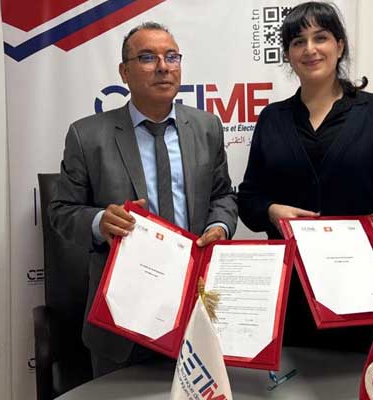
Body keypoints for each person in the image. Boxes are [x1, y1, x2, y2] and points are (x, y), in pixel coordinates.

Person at [238, 2, 373, 351]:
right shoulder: (272, 118)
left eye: (321, 37)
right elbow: (250, 198)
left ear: (339, 45)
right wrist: (271, 211)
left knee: (362, 375)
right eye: (298, 41)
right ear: (288, 55)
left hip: (365, 292)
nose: (310, 49)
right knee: (296, 376)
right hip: (294, 295)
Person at [49, 22, 237, 377]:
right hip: (122, 317)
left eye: (172, 57)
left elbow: (223, 194)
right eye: (148, 58)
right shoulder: (87, 136)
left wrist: (219, 226)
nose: (163, 67)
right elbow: (61, 211)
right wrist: (99, 222)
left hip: (195, 307)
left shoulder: (207, 127)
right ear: (124, 72)